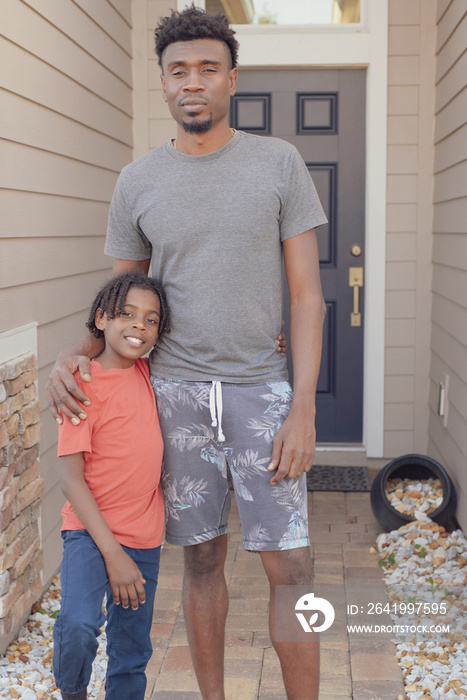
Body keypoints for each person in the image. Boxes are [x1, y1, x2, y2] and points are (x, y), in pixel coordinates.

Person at [47, 6, 327, 699]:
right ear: (164, 84)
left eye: (207, 69)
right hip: (170, 396)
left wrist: (301, 409)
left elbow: (306, 296)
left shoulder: (278, 163)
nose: (192, 82)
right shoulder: (138, 180)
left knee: (289, 567)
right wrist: (73, 354)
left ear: (232, 79)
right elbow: (121, 291)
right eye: (179, 71)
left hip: (261, 391)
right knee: (201, 561)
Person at [52, 272, 170, 700]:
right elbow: (70, 480)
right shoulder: (79, 385)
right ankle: (72, 690)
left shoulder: (150, 372)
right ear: (101, 319)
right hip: (89, 531)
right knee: (80, 625)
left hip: (143, 535)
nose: (139, 326)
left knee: (132, 649)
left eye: (151, 319)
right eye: (127, 314)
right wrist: (113, 554)